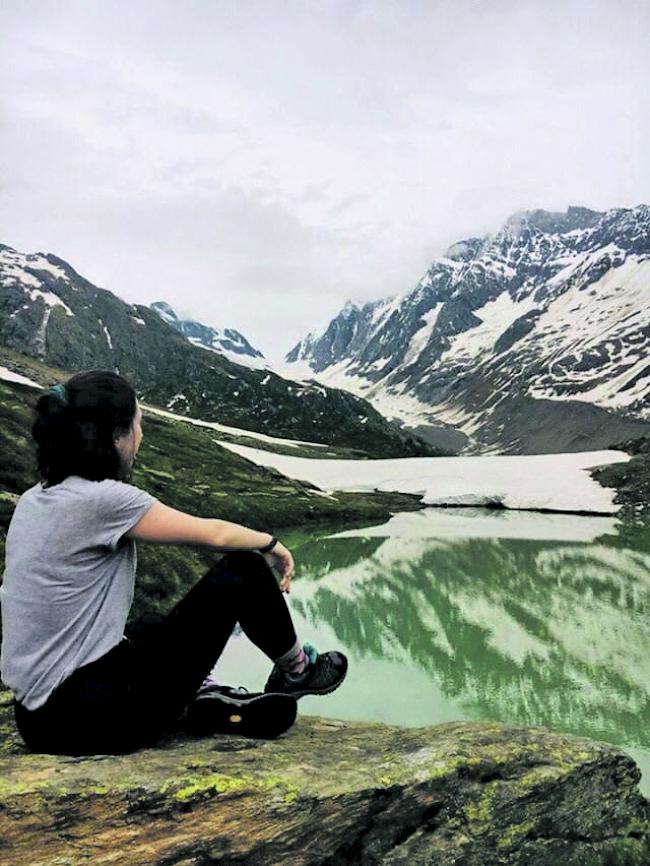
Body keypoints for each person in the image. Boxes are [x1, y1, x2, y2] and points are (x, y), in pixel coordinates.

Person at [0, 370, 347, 755]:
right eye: (137, 424)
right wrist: (272, 544)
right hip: (93, 719)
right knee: (244, 570)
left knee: (146, 628)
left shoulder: (35, 498)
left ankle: (206, 696)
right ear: (115, 435)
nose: (141, 437)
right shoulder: (104, 499)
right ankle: (298, 671)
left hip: (37, 721)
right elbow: (213, 534)